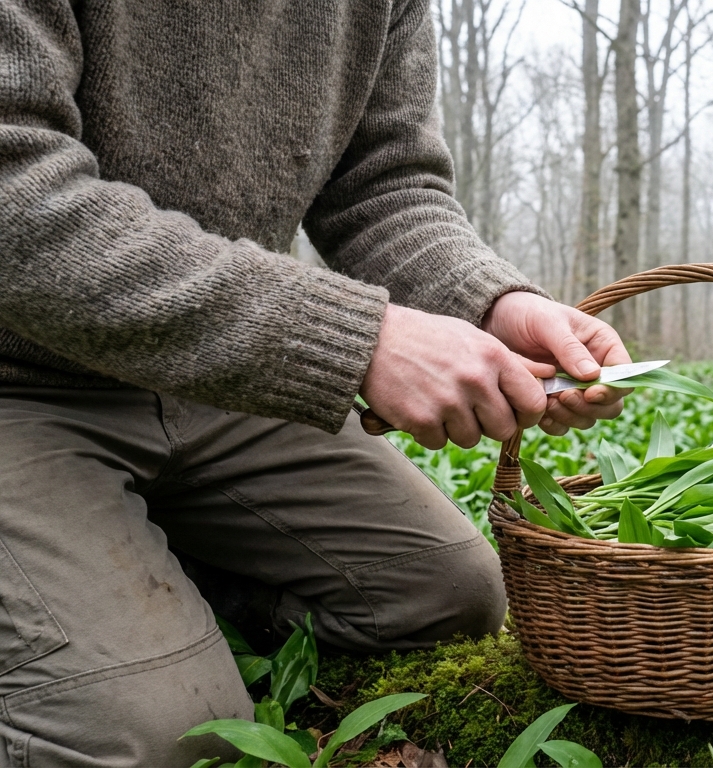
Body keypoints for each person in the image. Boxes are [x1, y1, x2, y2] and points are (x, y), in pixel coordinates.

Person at [0, 1, 628, 764]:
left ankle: (137, 591)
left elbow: (384, 183)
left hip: (210, 370)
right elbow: (16, 194)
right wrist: (362, 342)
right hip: (18, 379)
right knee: (165, 736)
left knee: (449, 595)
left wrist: (492, 304)